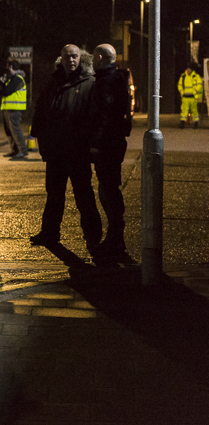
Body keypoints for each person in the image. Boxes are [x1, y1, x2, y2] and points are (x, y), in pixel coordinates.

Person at [29, 44, 103, 258]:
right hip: (55, 151)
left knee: (84, 195)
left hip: (77, 152)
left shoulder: (89, 83)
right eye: (67, 57)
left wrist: (91, 144)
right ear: (60, 59)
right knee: (54, 195)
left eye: (74, 56)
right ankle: (49, 233)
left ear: (81, 58)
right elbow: (41, 110)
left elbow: (94, 118)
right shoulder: (54, 82)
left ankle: (93, 237)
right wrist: (38, 135)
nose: (71, 60)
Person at [89, 44, 132, 264]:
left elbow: (105, 115)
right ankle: (116, 238)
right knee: (109, 189)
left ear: (99, 57)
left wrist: (95, 142)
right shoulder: (118, 79)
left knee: (108, 191)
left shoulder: (107, 81)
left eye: (93, 58)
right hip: (114, 144)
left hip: (107, 146)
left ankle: (115, 238)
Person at [0, 59, 29, 159]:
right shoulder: (12, 78)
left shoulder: (17, 78)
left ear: (11, 67)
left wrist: (1, 83)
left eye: (7, 66)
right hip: (8, 108)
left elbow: (6, 91)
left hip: (14, 108)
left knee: (15, 131)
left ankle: (22, 151)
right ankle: (14, 150)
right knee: (9, 130)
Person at [178, 62, 203, 128]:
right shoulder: (183, 76)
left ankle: (196, 123)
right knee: (184, 110)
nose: (188, 70)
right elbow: (179, 85)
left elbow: (200, 84)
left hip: (193, 97)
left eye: (189, 69)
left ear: (192, 70)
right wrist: (182, 92)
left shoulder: (196, 76)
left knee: (194, 110)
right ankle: (182, 123)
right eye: (187, 68)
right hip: (185, 97)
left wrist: (194, 91)